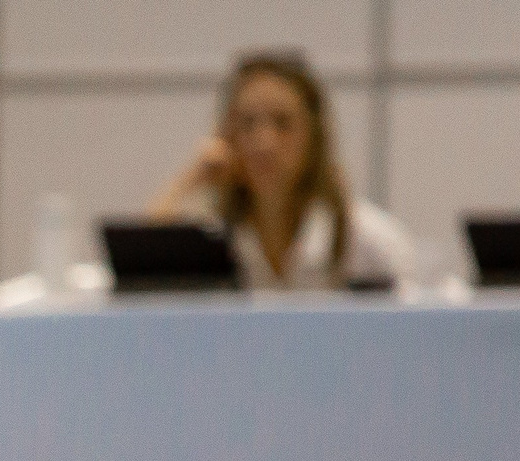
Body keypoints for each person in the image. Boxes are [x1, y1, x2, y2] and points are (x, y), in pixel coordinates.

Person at [148, 50, 414, 291]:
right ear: (227, 134)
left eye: (283, 123)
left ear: (314, 138)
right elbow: (137, 274)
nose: (264, 143)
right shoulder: (211, 233)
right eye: (247, 123)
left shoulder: (363, 235)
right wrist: (190, 181)